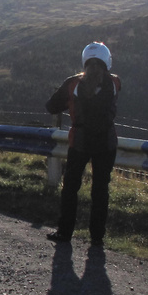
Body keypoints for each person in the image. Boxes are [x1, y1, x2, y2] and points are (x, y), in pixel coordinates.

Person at [45, 42, 121, 247]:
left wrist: (68, 103)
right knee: (100, 189)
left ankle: (65, 232)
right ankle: (97, 237)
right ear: (107, 61)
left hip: (80, 141)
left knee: (70, 187)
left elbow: (51, 107)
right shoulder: (114, 83)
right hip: (106, 141)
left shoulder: (73, 84)